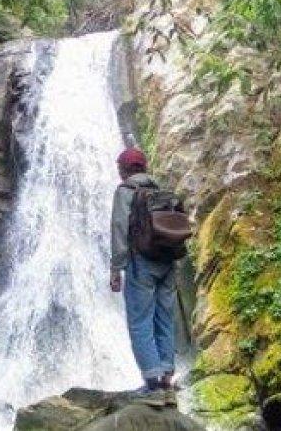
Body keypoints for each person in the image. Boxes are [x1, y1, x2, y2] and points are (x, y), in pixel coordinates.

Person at [109, 147, 177, 395]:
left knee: (140, 322)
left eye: (120, 167)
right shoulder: (160, 192)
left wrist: (116, 268)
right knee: (165, 318)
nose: (119, 172)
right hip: (167, 263)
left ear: (125, 169)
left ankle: (152, 382)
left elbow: (119, 228)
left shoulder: (126, 191)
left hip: (142, 264)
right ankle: (167, 376)